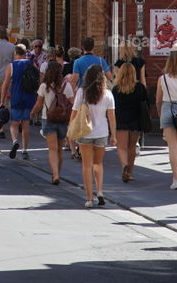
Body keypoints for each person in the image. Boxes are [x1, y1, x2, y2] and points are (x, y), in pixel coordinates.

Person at [71, 64, 116, 207]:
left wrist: (71, 129)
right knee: (98, 163)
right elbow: (112, 117)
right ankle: (100, 191)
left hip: (86, 132)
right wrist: (113, 135)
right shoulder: (108, 94)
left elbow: (75, 113)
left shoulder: (82, 92)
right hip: (102, 132)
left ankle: (89, 198)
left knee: (86, 166)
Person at [31, 60, 74, 184]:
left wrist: (33, 112)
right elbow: (72, 103)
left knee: (52, 149)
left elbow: (39, 104)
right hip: (63, 120)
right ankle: (58, 173)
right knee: (60, 149)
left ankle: (55, 175)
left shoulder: (44, 86)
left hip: (48, 119)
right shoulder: (67, 86)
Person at [156, 49, 177, 189]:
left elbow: (158, 100)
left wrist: (160, 114)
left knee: (172, 147)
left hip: (167, 109)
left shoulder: (162, 79)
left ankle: (175, 179)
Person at [112, 62, 149, 182]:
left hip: (121, 120)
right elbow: (147, 102)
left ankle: (124, 166)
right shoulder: (140, 88)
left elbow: (113, 106)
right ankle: (131, 171)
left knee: (121, 147)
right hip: (136, 120)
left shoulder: (116, 89)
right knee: (132, 146)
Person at [1, 42, 38, 159]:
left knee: (14, 124)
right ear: (25, 53)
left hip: (16, 96)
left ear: (15, 53)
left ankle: (15, 141)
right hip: (29, 97)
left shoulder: (11, 66)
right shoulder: (31, 64)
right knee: (26, 123)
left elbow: (5, 84)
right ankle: (25, 149)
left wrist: (2, 100)